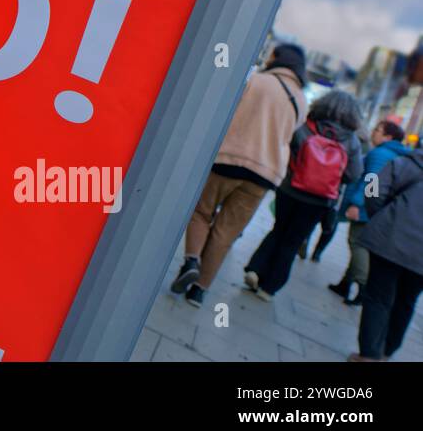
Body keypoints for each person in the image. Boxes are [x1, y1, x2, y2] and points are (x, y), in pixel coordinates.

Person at [170, 44, 308, 306]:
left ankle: (191, 260)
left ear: (278, 59)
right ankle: (199, 290)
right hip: (265, 173)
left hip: (229, 159)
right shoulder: (300, 101)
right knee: (227, 231)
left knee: (201, 212)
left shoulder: (256, 81)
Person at [244, 90, 364, 300]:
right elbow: (354, 174)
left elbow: (285, 148)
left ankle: (256, 268)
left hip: (290, 189)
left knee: (279, 229)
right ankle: (269, 288)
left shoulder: (306, 125)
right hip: (320, 200)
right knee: (293, 241)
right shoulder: (351, 141)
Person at [350, 147, 423, 361]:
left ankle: (369, 354)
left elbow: (372, 189)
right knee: (407, 301)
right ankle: (386, 351)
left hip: (389, 240)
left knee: (378, 297)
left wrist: (379, 215)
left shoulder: (403, 163)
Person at [330, 120, 410, 305]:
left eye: (377, 130)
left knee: (357, 243)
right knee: (360, 243)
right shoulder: (394, 153)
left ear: (388, 137)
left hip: (367, 207)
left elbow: (371, 181)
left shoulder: (380, 153)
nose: (373, 132)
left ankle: (363, 287)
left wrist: (358, 204)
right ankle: (345, 284)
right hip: (377, 207)